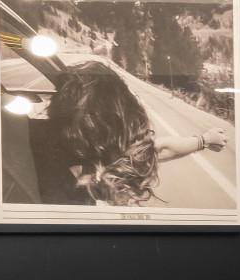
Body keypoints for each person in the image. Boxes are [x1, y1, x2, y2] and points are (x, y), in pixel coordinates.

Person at [23, 62, 226, 206]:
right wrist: (204, 141)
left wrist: (204, 140)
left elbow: (157, 148)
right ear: (113, 115)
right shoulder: (104, 151)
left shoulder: (27, 132)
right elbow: (158, 148)